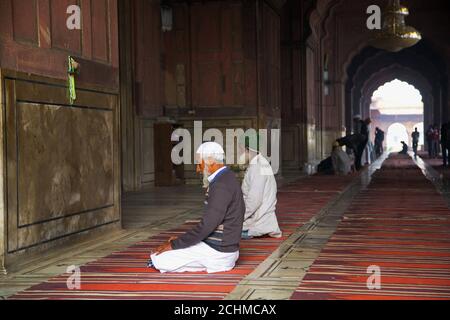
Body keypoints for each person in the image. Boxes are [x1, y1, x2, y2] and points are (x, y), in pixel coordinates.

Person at [148, 142, 245, 274]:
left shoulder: (220, 185)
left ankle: (212, 263)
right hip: (222, 248)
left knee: (159, 258)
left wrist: (175, 244)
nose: (198, 170)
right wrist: (180, 241)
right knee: (175, 250)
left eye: (200, 164)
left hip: (219, 252)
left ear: (210, 161)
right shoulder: (227, 177)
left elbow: (207, 226)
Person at [238, 135, 282, 239]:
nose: (239, 153)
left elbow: (254, 200)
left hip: (258, 220)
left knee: (222, 231)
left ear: (248, 149)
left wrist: (238, 217)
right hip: (256, 216)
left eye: (241, 149)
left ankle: (246, 232)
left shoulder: (258, 167)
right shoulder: (258, 163)